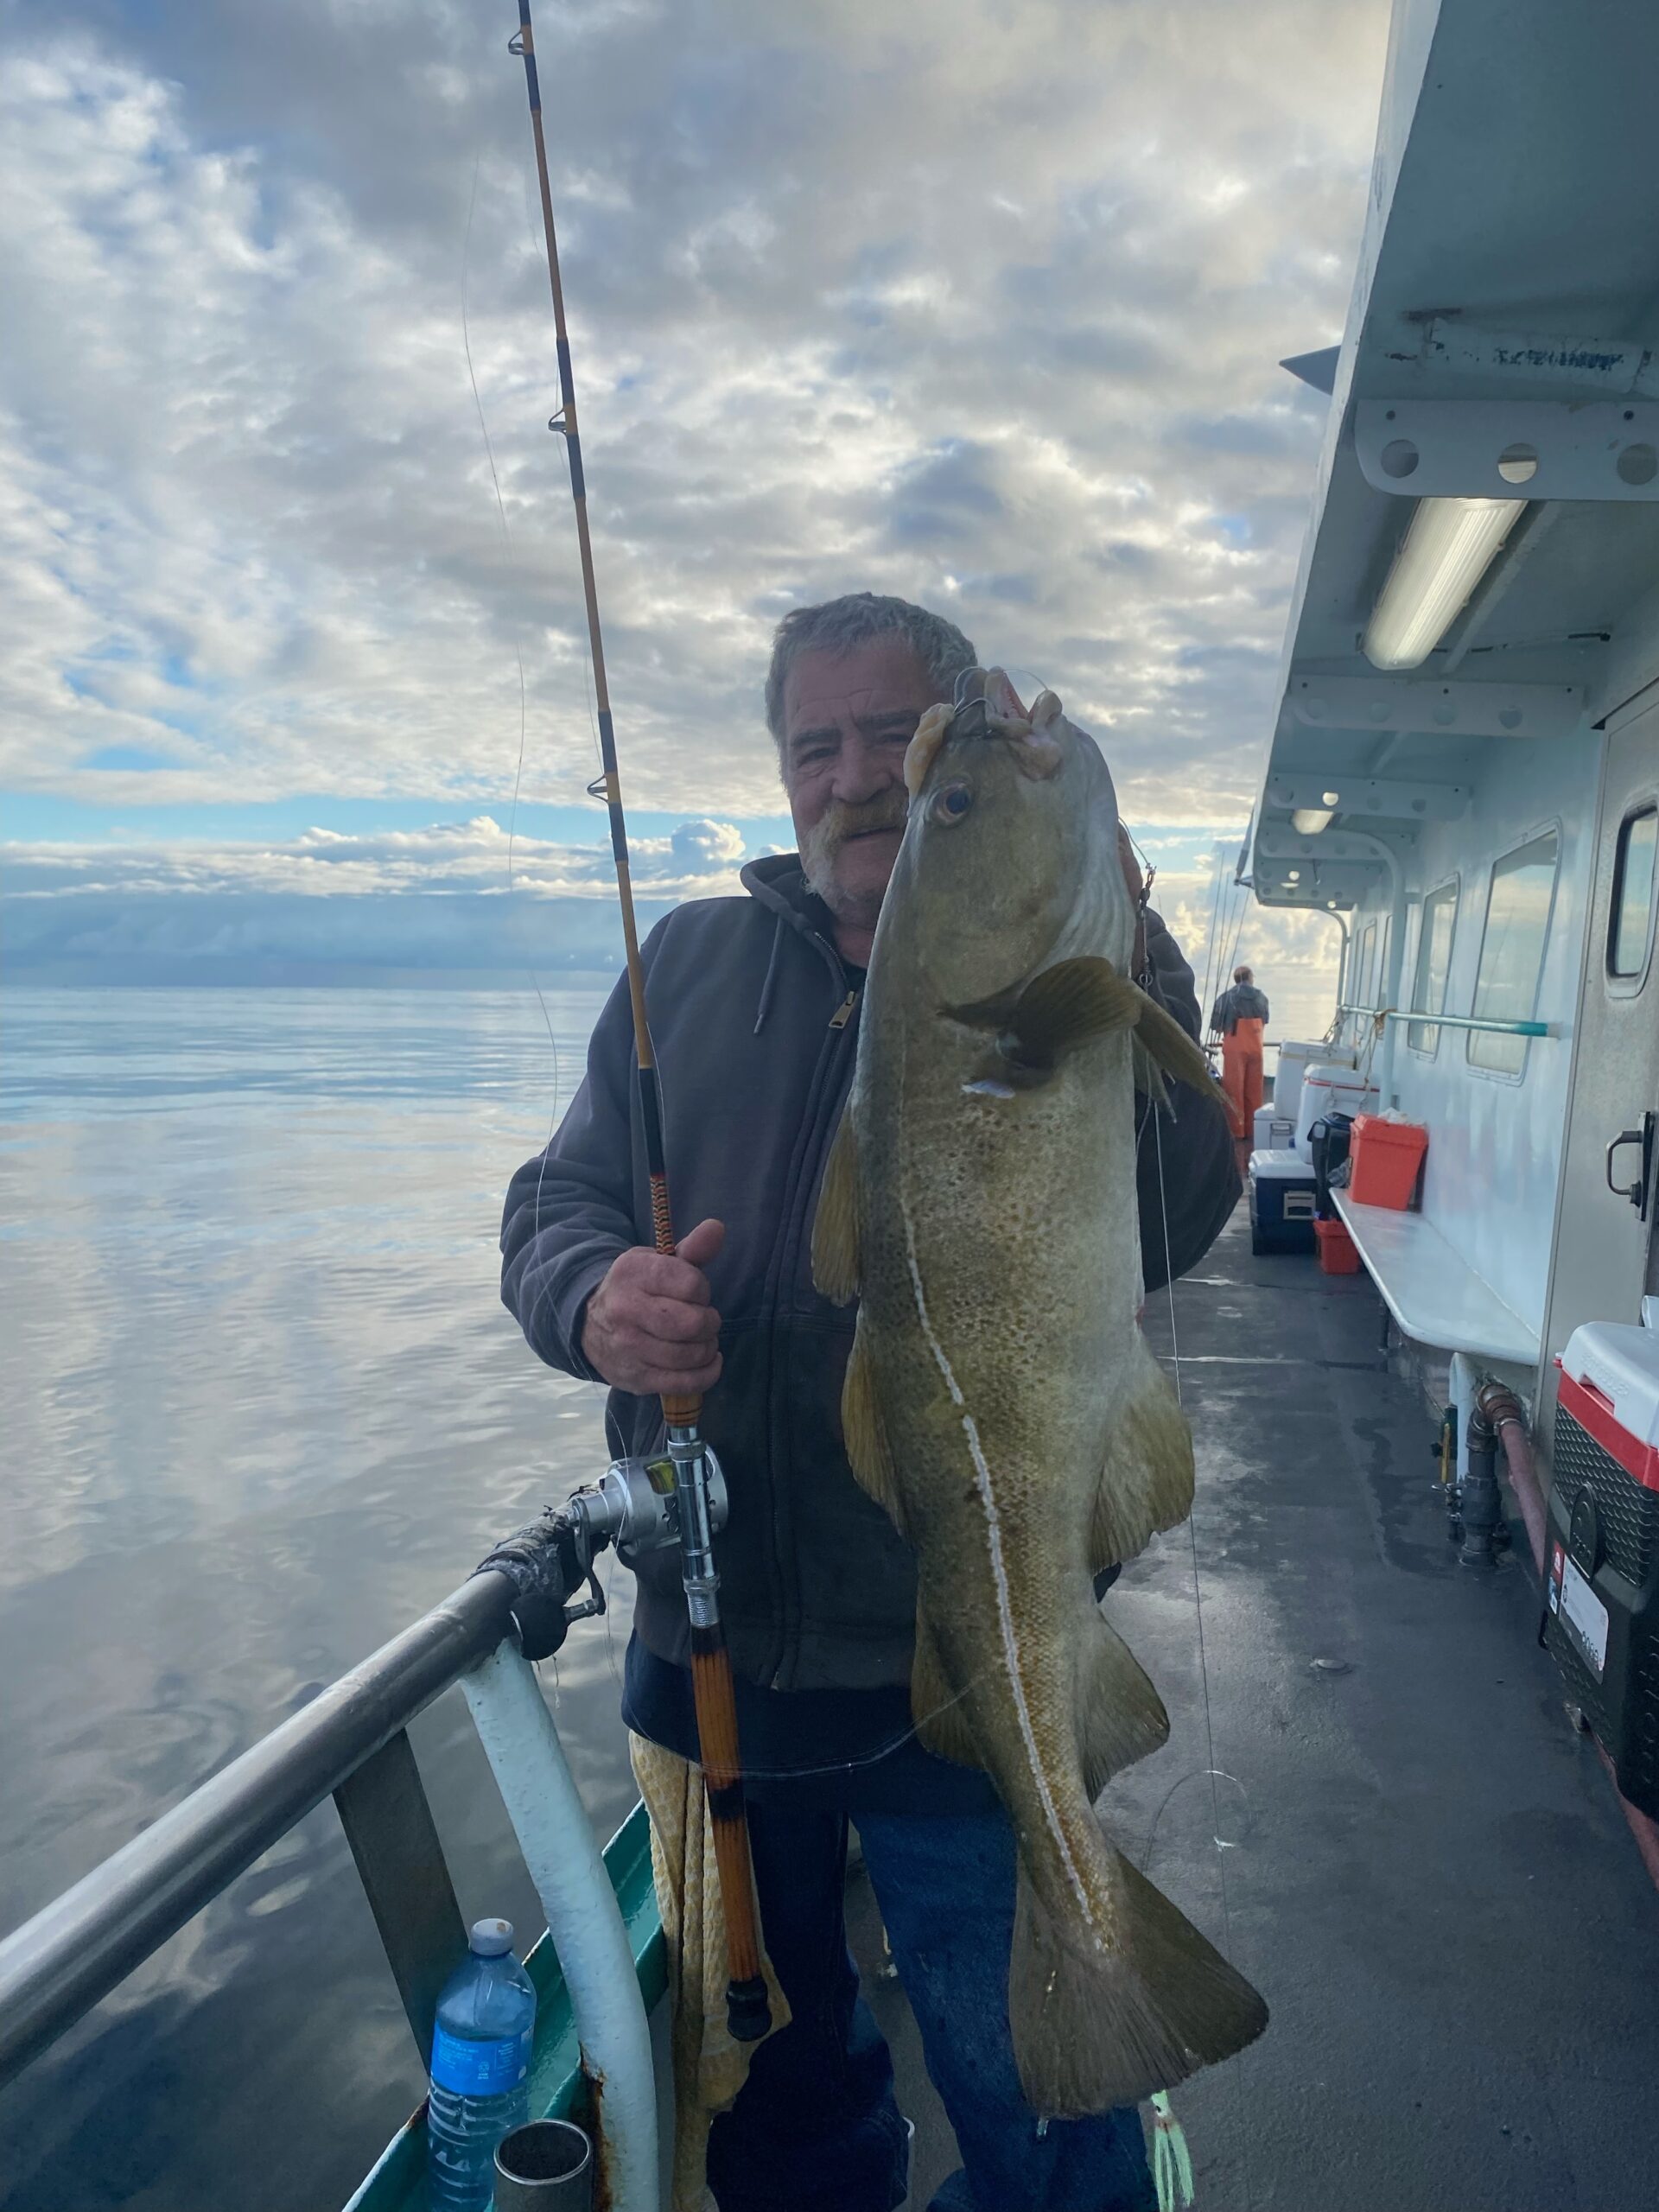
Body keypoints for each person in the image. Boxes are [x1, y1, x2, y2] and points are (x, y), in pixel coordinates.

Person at [501, 594, 1240, 2212]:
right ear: (781, 775)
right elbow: (552, 1206)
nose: (855, 779)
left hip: (958, 1672)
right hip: (711, 1668)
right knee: (772, 2092)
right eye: (809, 746)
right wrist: (594, 1299)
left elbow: (1184, 1201)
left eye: (892, 741)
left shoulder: (1079, 975)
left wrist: (1129, 942)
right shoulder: (688, 961)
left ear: (939, 736)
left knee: (1030, 2099)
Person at [1210, 963, 1270, 1166]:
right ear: (1250, 978)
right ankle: (1254, 1131)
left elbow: (1217, 1026)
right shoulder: (1261, 997)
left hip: (1235, 1048)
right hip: (1256, 1047)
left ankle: (1237, 1132)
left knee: (1234, 1090)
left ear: (1236, 979)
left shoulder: (1226, 997)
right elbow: (1266, 1020)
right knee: (1255, 1092)